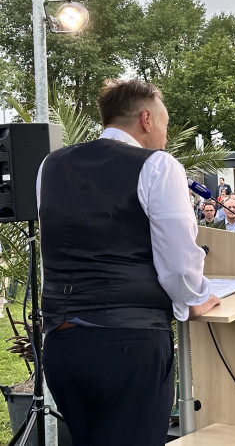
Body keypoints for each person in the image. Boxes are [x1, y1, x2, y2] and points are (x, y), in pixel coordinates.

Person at [37, 78, 220, 445]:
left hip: (61, 341)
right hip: (128, 342)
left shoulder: (50, 165)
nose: (166, 137)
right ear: (147, 120)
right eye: (165, 126)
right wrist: (197, 299)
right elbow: (179, 263)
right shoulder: (158, 166)